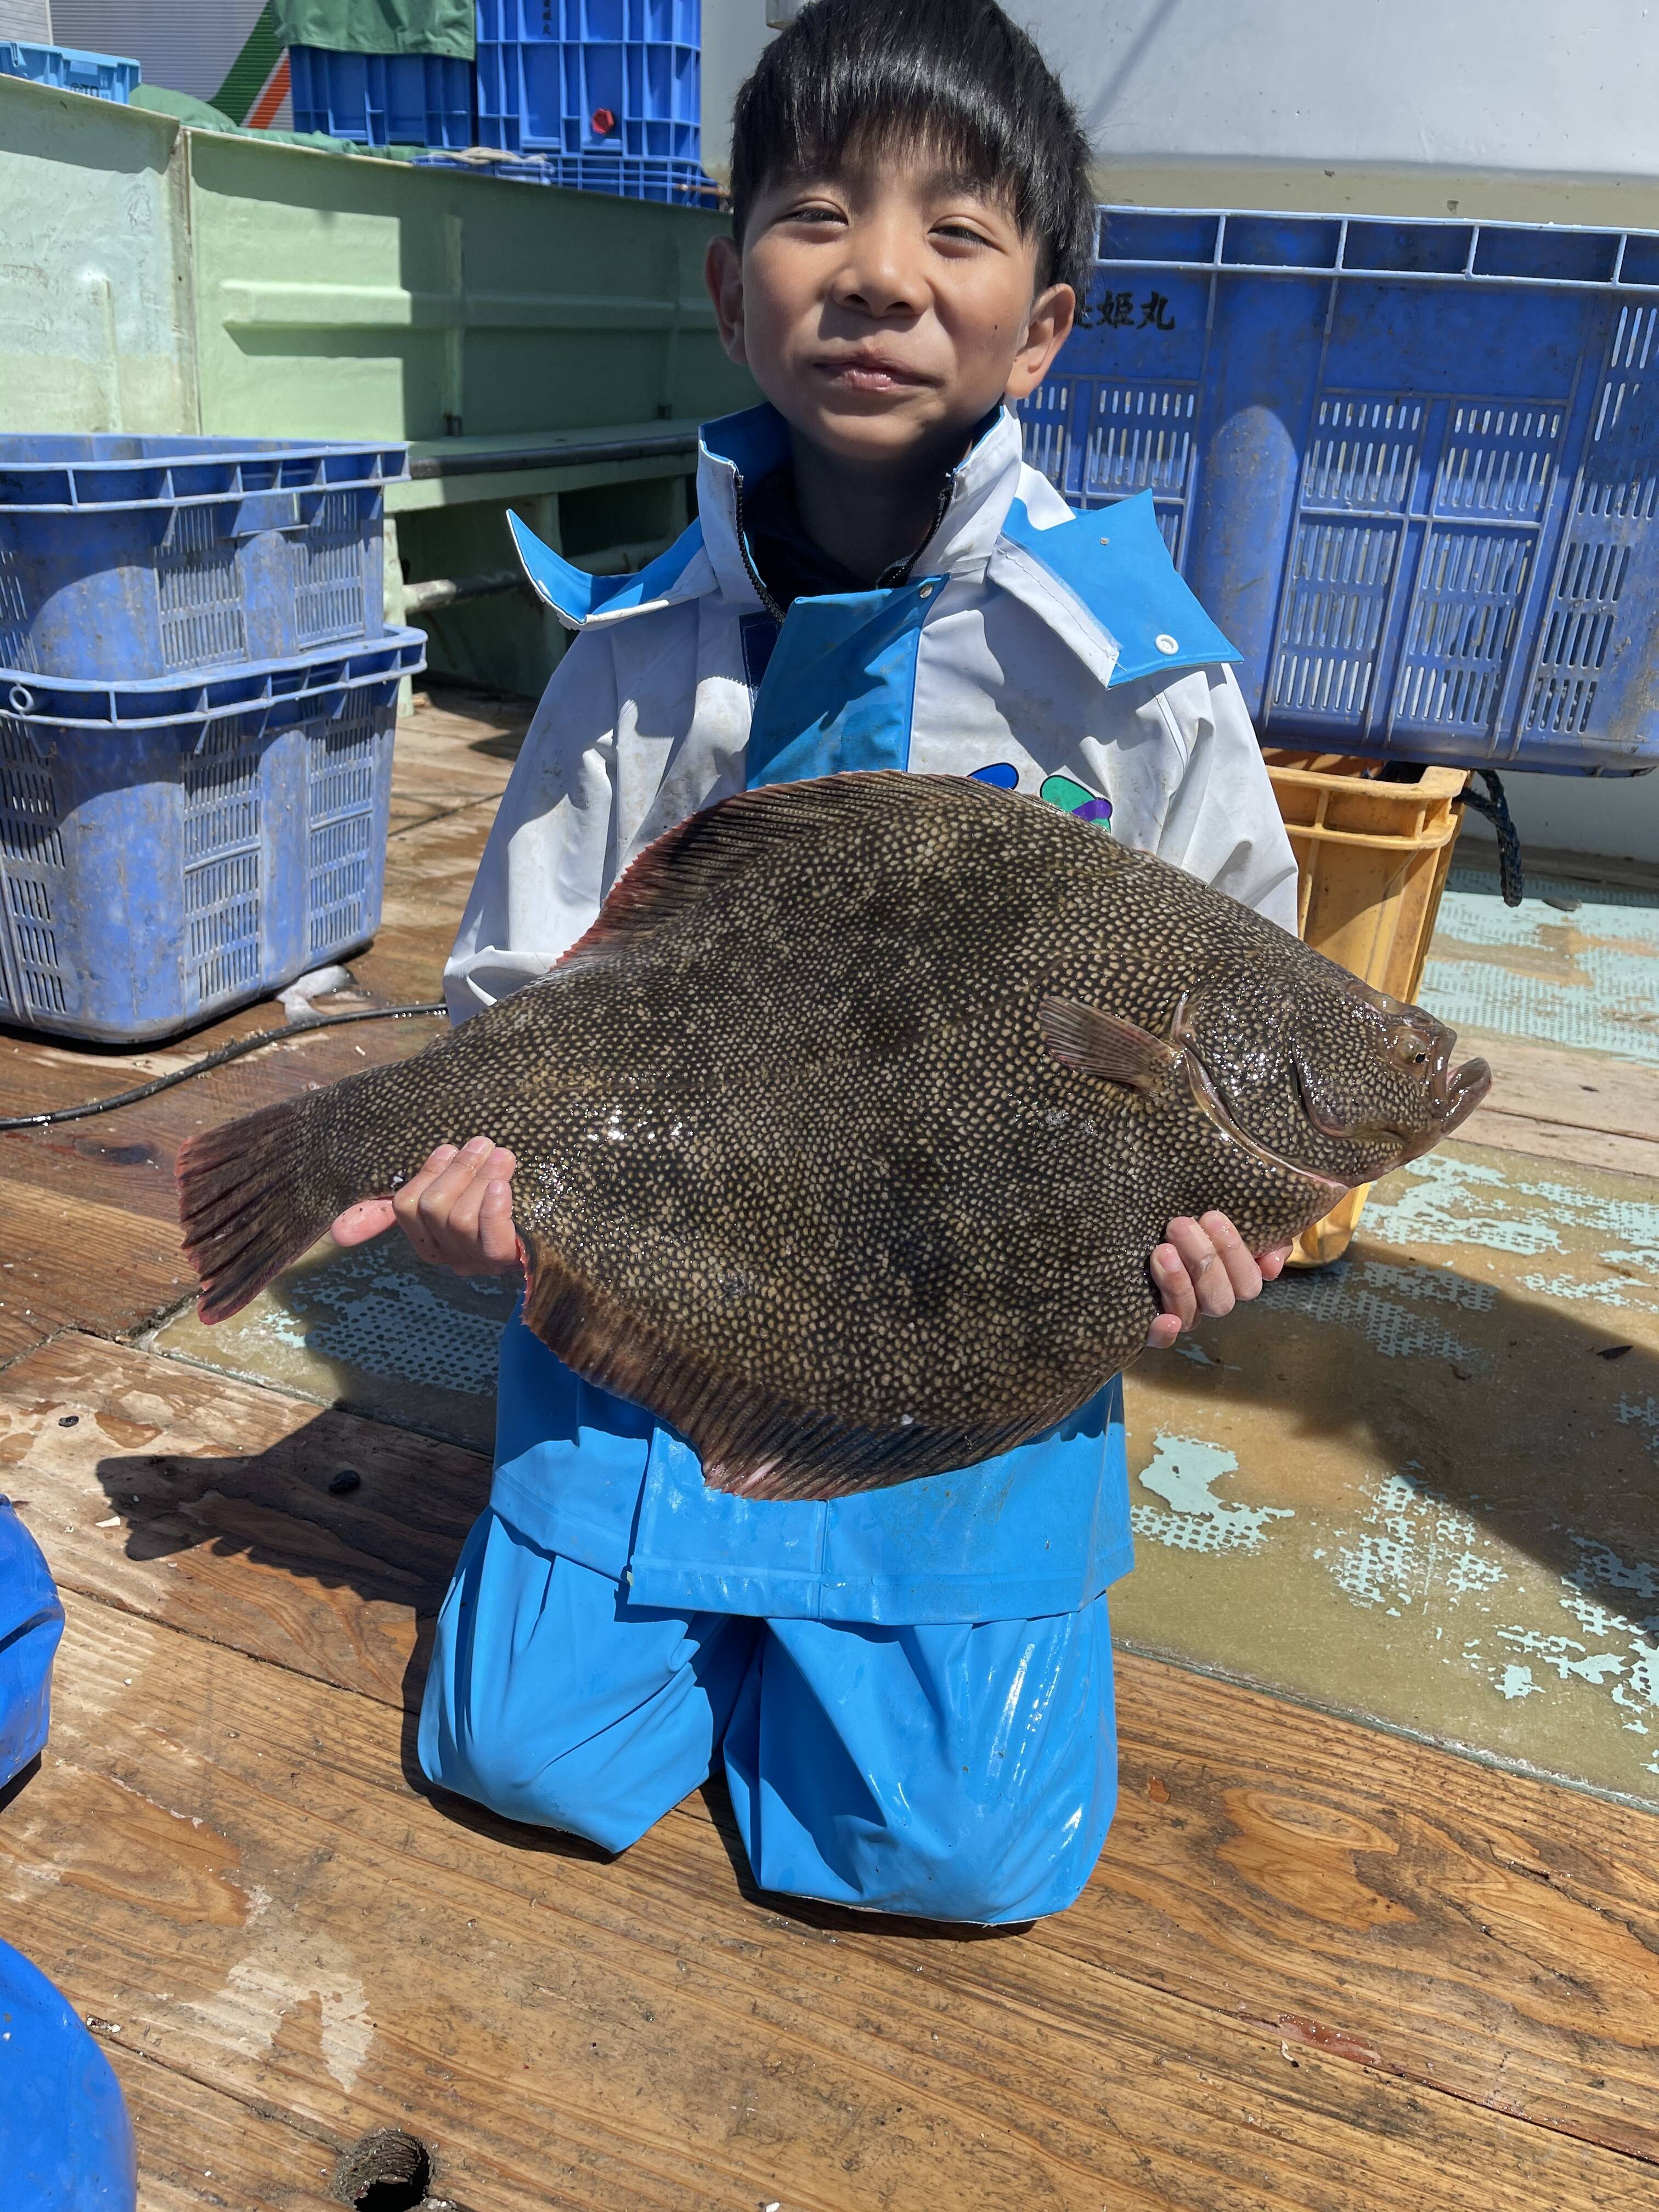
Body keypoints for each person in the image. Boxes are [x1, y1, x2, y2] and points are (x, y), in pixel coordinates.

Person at [332, 0, 1300, 1923]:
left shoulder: (1138, 673)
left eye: (956, 232)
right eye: (816, 214)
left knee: (948, 1860)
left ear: (1043, 323)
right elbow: (509, 1013)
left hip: (967, 1366)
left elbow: (1249, 1023)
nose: (877, 275)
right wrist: (480, 1194)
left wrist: (1232, 1234)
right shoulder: (628, 650)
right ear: (730, 281)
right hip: (654, 1322)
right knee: (514, 1757)